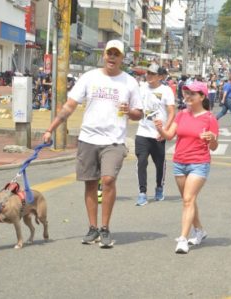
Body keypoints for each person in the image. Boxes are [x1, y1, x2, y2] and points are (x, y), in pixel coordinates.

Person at [42, 39, 143, 248]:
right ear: (104, 55)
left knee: (107, 180)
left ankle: (105, 228)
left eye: (117, 54)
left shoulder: (130, 82)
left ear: (122, 58)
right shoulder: (89, 78)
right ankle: (93, 228)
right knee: (90, 182)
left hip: (114, 141)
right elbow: (69, 106)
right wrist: (50, 129)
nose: (112, 57)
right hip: (88, 138)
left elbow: (138, 114)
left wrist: (129, 111)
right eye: (109, 53)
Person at [154, 81, 219, 254]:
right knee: (188, 200)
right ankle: (199, 231)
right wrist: (160, 130)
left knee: (188, 199)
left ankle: (183, 238)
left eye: (193, 94)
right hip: (179, 162)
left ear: (202, 97)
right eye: (186, 93)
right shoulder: (182, 114)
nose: (188, 96)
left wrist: (211, 138)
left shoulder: (210, 118)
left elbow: (213, 147)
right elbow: (169, 136)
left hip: (199, 163)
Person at [135, 63, 176, 206]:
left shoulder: (166, 91)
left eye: (152, 74)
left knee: (159, 164)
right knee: (141, 162)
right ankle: (142, 193)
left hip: (158, 134)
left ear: (160, 76)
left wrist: (165, 131)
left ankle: (159, 187)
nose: (149, 76)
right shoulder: (141, 88)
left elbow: (171, 112)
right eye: (148, 73)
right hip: (142, 131)